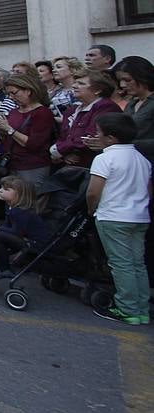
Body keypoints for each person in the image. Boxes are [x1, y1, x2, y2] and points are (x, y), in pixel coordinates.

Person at [85, 113, 150, 324]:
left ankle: (127, 308)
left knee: (121, 264)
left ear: (111, 138)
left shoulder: (105, 158)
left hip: (113, 215)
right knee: (137, 263)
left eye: (99, 133)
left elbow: (93, 191)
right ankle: (141, 307)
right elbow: (149, 190)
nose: (96, 136)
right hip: (139, 216)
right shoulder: (141, 159)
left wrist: (90, 208)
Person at [0, 73, 56, 186]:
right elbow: (7, 141)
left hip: (32, 166)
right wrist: (1, 130)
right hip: (13, 164)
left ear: (28, 91)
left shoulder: (42, 113)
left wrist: (9, 129)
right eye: (8, 94)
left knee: (31, 199)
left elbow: (34, 143)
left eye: (14, 93)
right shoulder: (13, 112)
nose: (11, 97)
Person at [0, 176, 53, 275]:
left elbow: (18, 232)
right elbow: (8, 227)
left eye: (6, 189)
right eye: (1, 188)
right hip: (25, 239)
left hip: (34, 243)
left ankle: (5, 268)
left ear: (19, 195)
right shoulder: (12, 208)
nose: (0, 190)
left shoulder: (20, 211)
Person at [51, 71, 121, 168]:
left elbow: (89, 137)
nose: (74, 86)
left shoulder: (106, 107)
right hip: (70, 166)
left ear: (97, 90)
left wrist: (58, 150)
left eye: (81, 83)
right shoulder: (72, 110)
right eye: (75, 82)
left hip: (93, 165)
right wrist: (64, 154)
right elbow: (63, 136)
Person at [110, 56, 154, 161]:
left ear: (143, 77)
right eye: (120, 81)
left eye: (128, 80)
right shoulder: (132, 104)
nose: (122, 85)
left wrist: (125, 144)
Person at [49, 56, 81, 121]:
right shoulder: (54, 92)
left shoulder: (80, 89)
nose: (53, 70)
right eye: (53, 68)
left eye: (59, 67)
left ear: (72, 70)